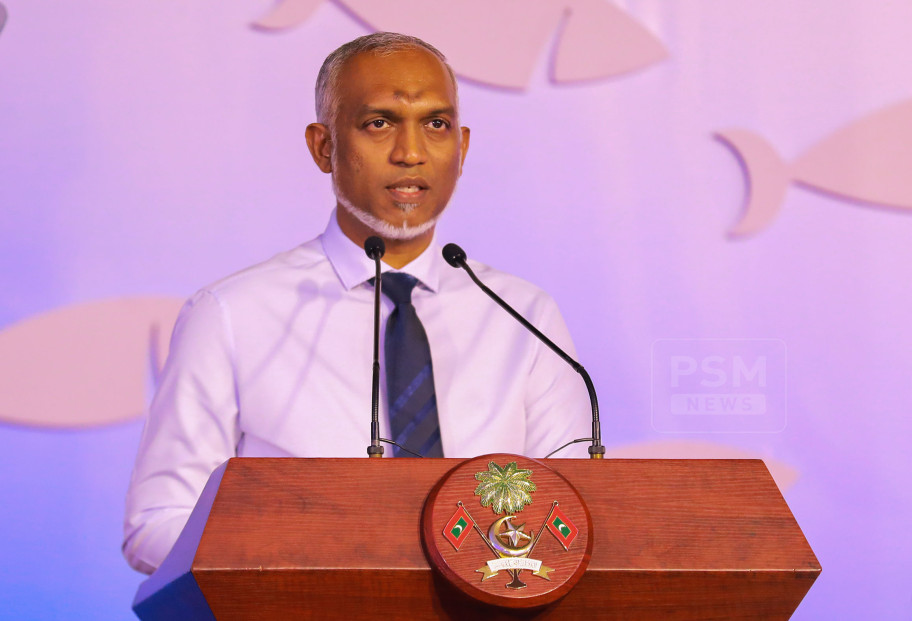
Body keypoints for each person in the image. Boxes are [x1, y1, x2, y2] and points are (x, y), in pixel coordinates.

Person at [122, 32, 591, 575]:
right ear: (323, 146)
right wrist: (317, 557)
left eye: (436, 125)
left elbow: (570, 517)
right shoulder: (231, 314)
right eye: (379, 123)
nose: (410, 153)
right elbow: (157, 523)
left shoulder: (525, 317)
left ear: (462, 148)